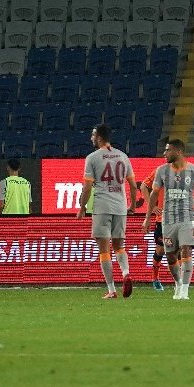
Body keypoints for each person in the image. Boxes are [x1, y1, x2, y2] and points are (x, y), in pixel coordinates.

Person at [142, 139, 194, 301]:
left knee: (186, 250)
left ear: (178, 152)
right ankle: (178, 282)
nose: (164, 153)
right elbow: (153, 193)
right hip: (167, 220)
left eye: (167, 150)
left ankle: (184, 290)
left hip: (187, 219)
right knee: (170, 256)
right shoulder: (161, 171)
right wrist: (148, 217)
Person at [77, 124, 138, 299]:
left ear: (99, 137)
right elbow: (133, 185)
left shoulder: (92, 158)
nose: (91, 138)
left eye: (92, 135)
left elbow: (87, 187)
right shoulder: (123, 156)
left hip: (102, 206)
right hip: (120, 206)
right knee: (120, 246)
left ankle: (111, 290)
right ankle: (126, 272)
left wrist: (82, 208)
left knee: (104, 249)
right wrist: (133, 206)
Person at [138, 152, 176, 292]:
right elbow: (143, 186)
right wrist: (152, 207)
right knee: (161, 250)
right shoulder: (160, 171)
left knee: (177, 251)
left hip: (179, 218)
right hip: (162, 219)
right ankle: (155, 279)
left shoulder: (187, 172)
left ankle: (180, 284)